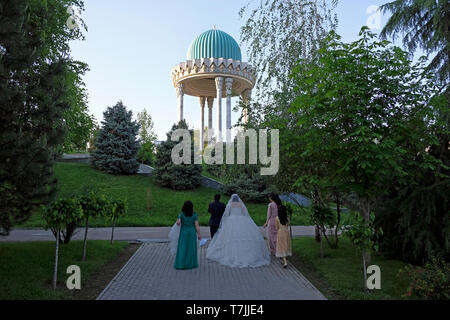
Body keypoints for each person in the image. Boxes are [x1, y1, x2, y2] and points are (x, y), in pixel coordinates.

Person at [206, 194, 270, 268]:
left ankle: (231, 253)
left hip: (231, 221)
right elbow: (246, 213)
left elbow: (226, 214)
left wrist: (226, 221)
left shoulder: (230, 204)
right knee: (242, 236)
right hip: (241, 221)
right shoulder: (241, 205)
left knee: (230, 236)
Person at [172, 200, 202, 270]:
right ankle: (190, 264)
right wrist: (199, 234)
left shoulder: (181, 214)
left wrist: (179, 221)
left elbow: (178, 223)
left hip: (184, 234)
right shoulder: (194, 214)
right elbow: (196, 225)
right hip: (192, 233)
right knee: (191, 249)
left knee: (182, 248)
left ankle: (181, 264)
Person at [276, 204, 292, 268]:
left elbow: (276, 227)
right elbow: (288, 225)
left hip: (280, 232)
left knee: (281, 246)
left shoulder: (277, 218)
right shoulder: (287, 218)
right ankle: (285, 259)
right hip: (286, 232)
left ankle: (285, 261)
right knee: (286, 245)